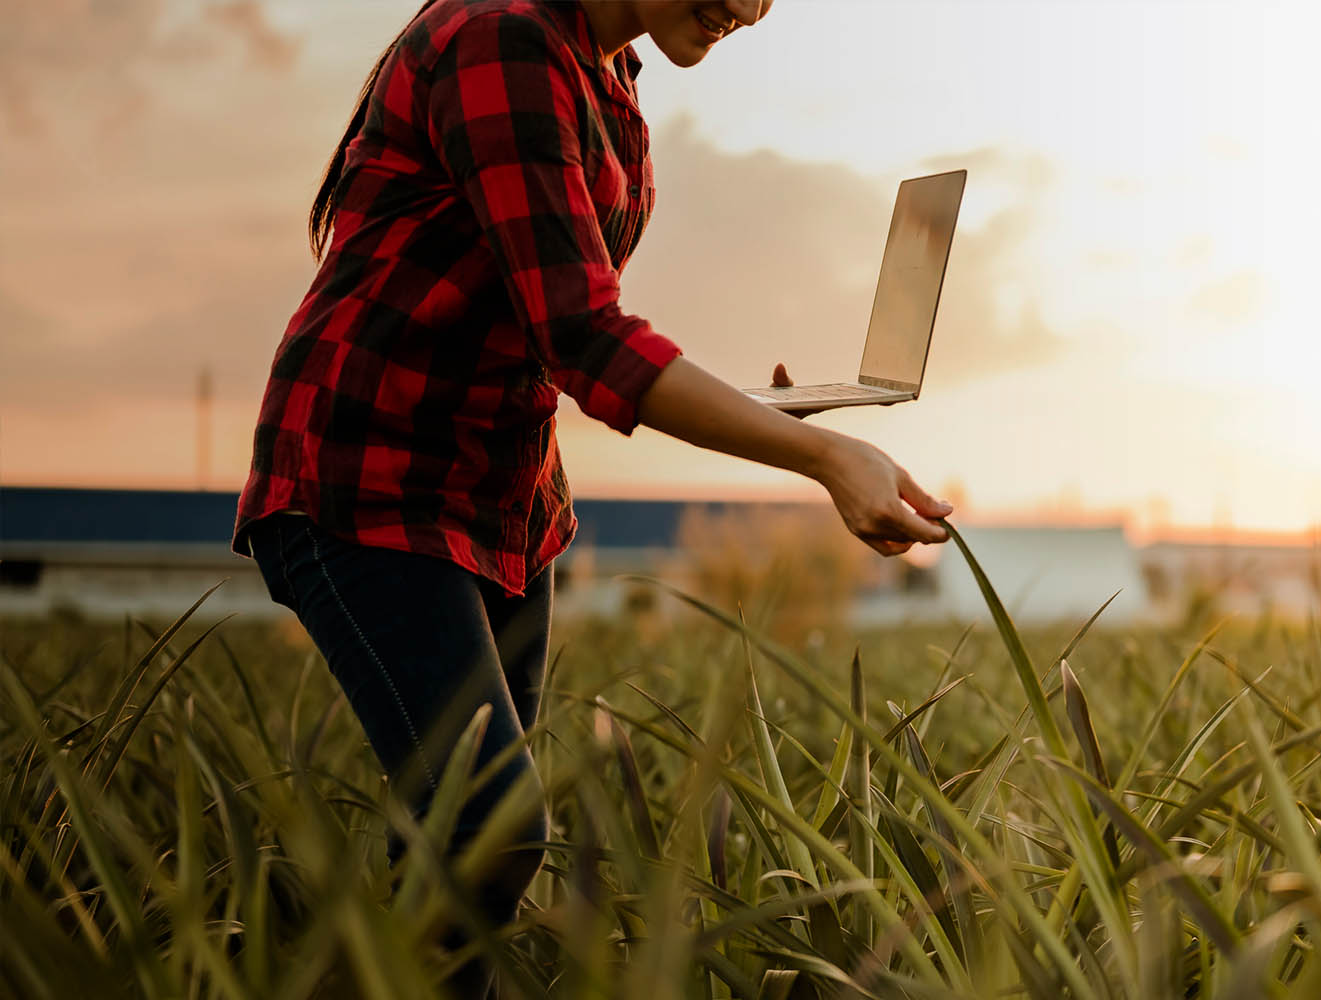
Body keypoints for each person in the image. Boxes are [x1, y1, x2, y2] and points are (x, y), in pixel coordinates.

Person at [233, 0, 952, 993]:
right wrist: (819, 455)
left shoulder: (610, 73)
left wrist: (769, 414)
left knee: (456, 857)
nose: (750, 10)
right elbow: (580, 335)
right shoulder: (502, 37)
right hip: (368, 480)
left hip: (499, 504)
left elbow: (555, 314)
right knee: (486, 830)